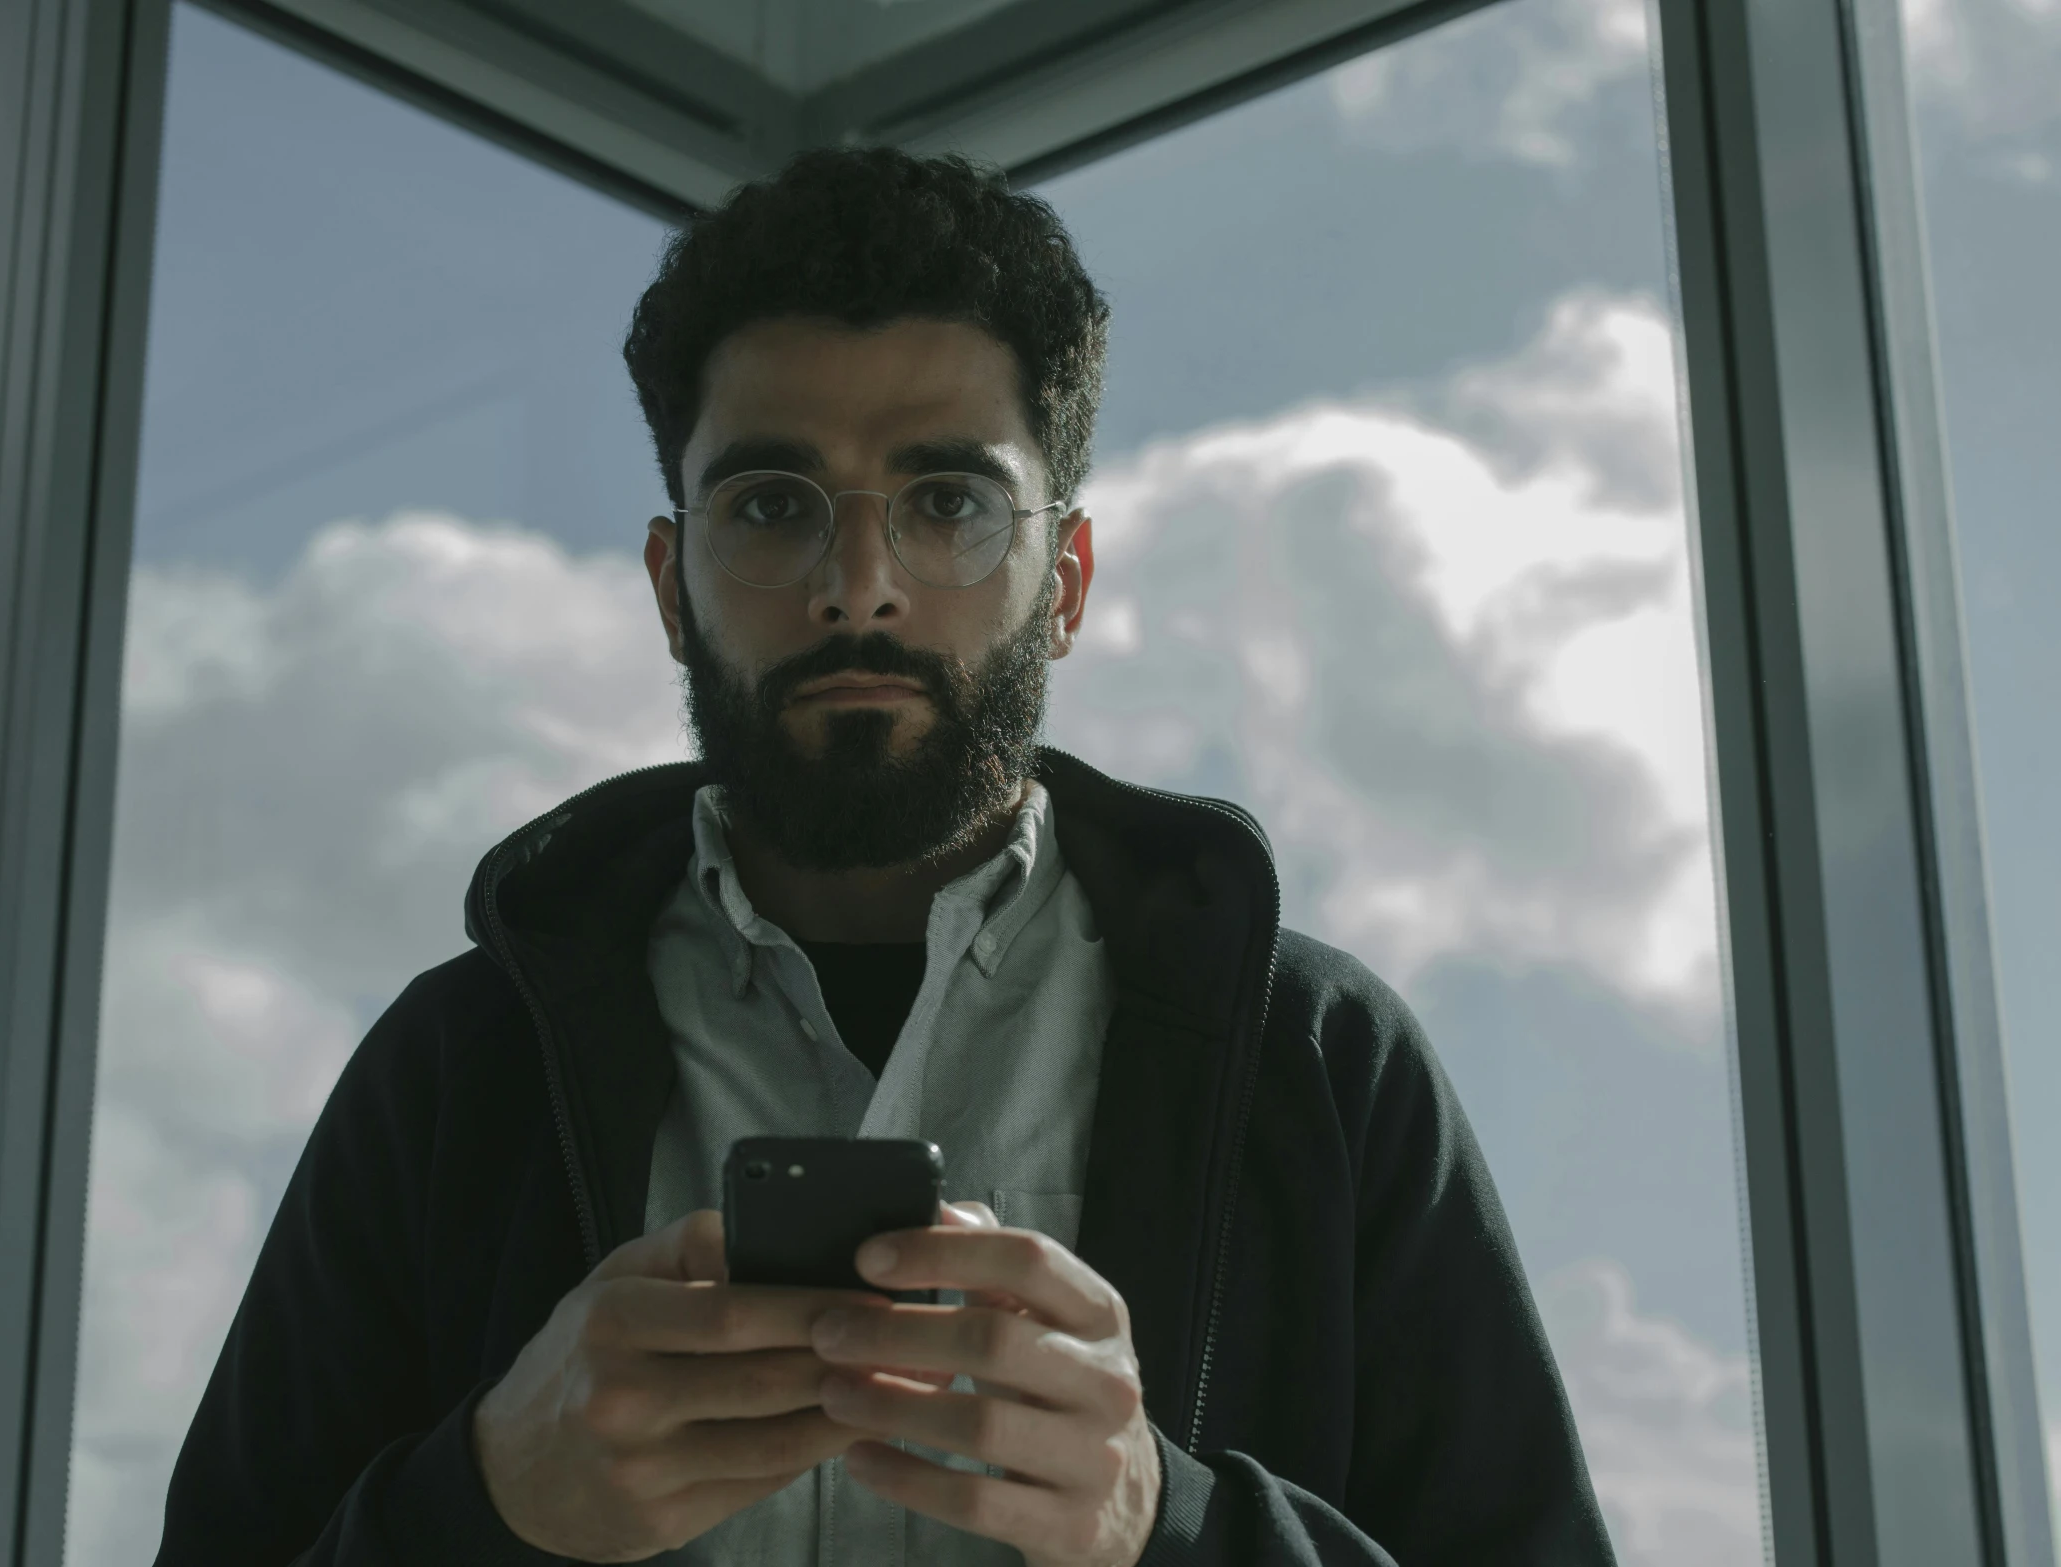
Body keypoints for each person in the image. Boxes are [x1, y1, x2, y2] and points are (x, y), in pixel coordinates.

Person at [154, 148, 1615, 1567]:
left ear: (1069, 582)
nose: (858, 586)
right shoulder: (453, 1070)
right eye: (773, 504)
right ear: (674, 587)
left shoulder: (1317, 1061)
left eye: (949, 503)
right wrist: (486, 1504)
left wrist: (1157, 1527)